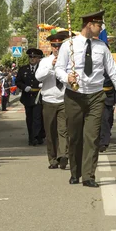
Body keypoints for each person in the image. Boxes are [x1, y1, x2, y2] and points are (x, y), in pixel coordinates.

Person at [55, 10, 116, 187]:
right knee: (74, 136)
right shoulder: (69, 45)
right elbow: (58, 68)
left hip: (96, 95)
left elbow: (113, 72)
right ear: (89, 25)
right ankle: (75, 171)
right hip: (74, 95)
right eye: (99, 25)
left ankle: (88, 175)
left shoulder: (102, 47)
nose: (101, 28)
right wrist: (67, 78)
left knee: (92, 137)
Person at [35, 31, 71, 170]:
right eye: (54, 46)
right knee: (50, 132)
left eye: (59, 46)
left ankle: (63, 156)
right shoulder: (45, 61)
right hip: (49, 99)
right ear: (51, 47)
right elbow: (38, 77)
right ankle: (53, 159)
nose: (56, 48)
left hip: (63, 99)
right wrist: (52, 66)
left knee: (63, 130)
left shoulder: (69, 61)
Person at [16, 48, 45, 146]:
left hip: (38, 96)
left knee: (37, 117)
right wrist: (24, 87)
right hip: (27, 97)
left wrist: (43, 85)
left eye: (34, 57)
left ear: (39, 58)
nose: (32, 59)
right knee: (29, 118)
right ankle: (31, 137)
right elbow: (18, 81)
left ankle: (36, 137)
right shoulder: (23, 69)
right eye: (31, 57)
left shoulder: (42, 68)